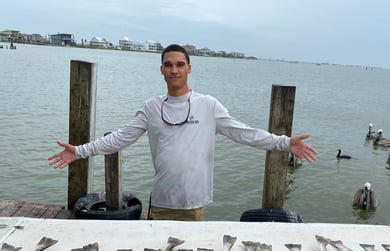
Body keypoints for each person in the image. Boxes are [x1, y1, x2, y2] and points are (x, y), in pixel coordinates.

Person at [48, 44, 318, 221]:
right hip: (162, 203)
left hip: (194, 205)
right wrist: (79, 151)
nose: (174, 69)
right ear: (161, 70)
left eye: (180, 64)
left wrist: (285, 142)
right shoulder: (151, 107)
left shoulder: (208, 106)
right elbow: (121, 138)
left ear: (189, 68)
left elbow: (243, 133)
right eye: (168, 64)